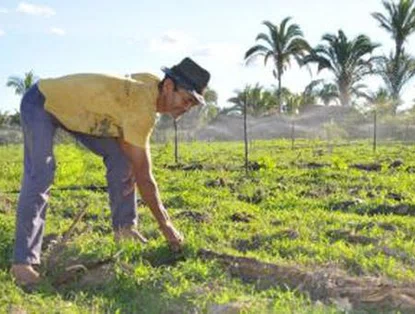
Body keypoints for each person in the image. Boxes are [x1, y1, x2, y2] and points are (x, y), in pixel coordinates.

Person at [10, 57, 211, 286]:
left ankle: (124, 229)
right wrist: (167, 226)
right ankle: (22, 263)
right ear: (167, 86)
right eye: (186, 100)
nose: (186, 108)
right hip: (42, 101)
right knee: (41, 173)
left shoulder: (149, 85)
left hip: (79, 114)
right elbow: (145, 179)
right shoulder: (142, 107)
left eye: (191, 105)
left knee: (122, 157)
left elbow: (127, 135)